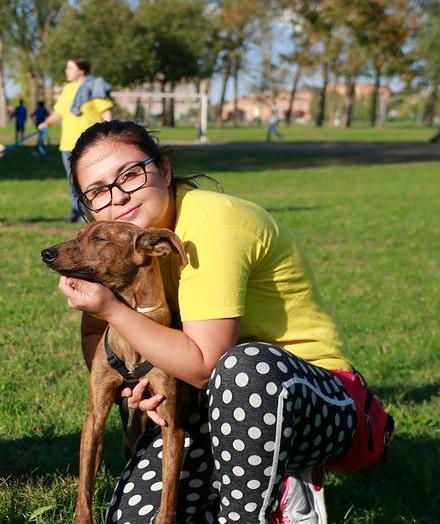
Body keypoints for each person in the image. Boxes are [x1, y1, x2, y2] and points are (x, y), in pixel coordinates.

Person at [56, 120, 364, 523]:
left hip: (309, 398)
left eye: (130, 174)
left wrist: (114, 310)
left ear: (163, 170)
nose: (118, 197)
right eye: (98, 191)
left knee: (243, 367)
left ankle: (277, 494)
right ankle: (243, 482)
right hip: (206, 409)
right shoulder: (117, 241)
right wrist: (136, 381)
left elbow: (204, 366)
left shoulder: (212, 223)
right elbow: (99, 340)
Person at [38, 57, 113, 223]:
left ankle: (96, 212)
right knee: (73, 181)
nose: (66, 71)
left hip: (90, 144)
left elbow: (106, 111)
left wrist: (109, 132)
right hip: (67, 144)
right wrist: (46, 123)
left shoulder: (94, 86)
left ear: (81, 70)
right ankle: (77, 211)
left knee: (92, 180)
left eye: (70, 68)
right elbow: (59, 112)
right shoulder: (68, 89)